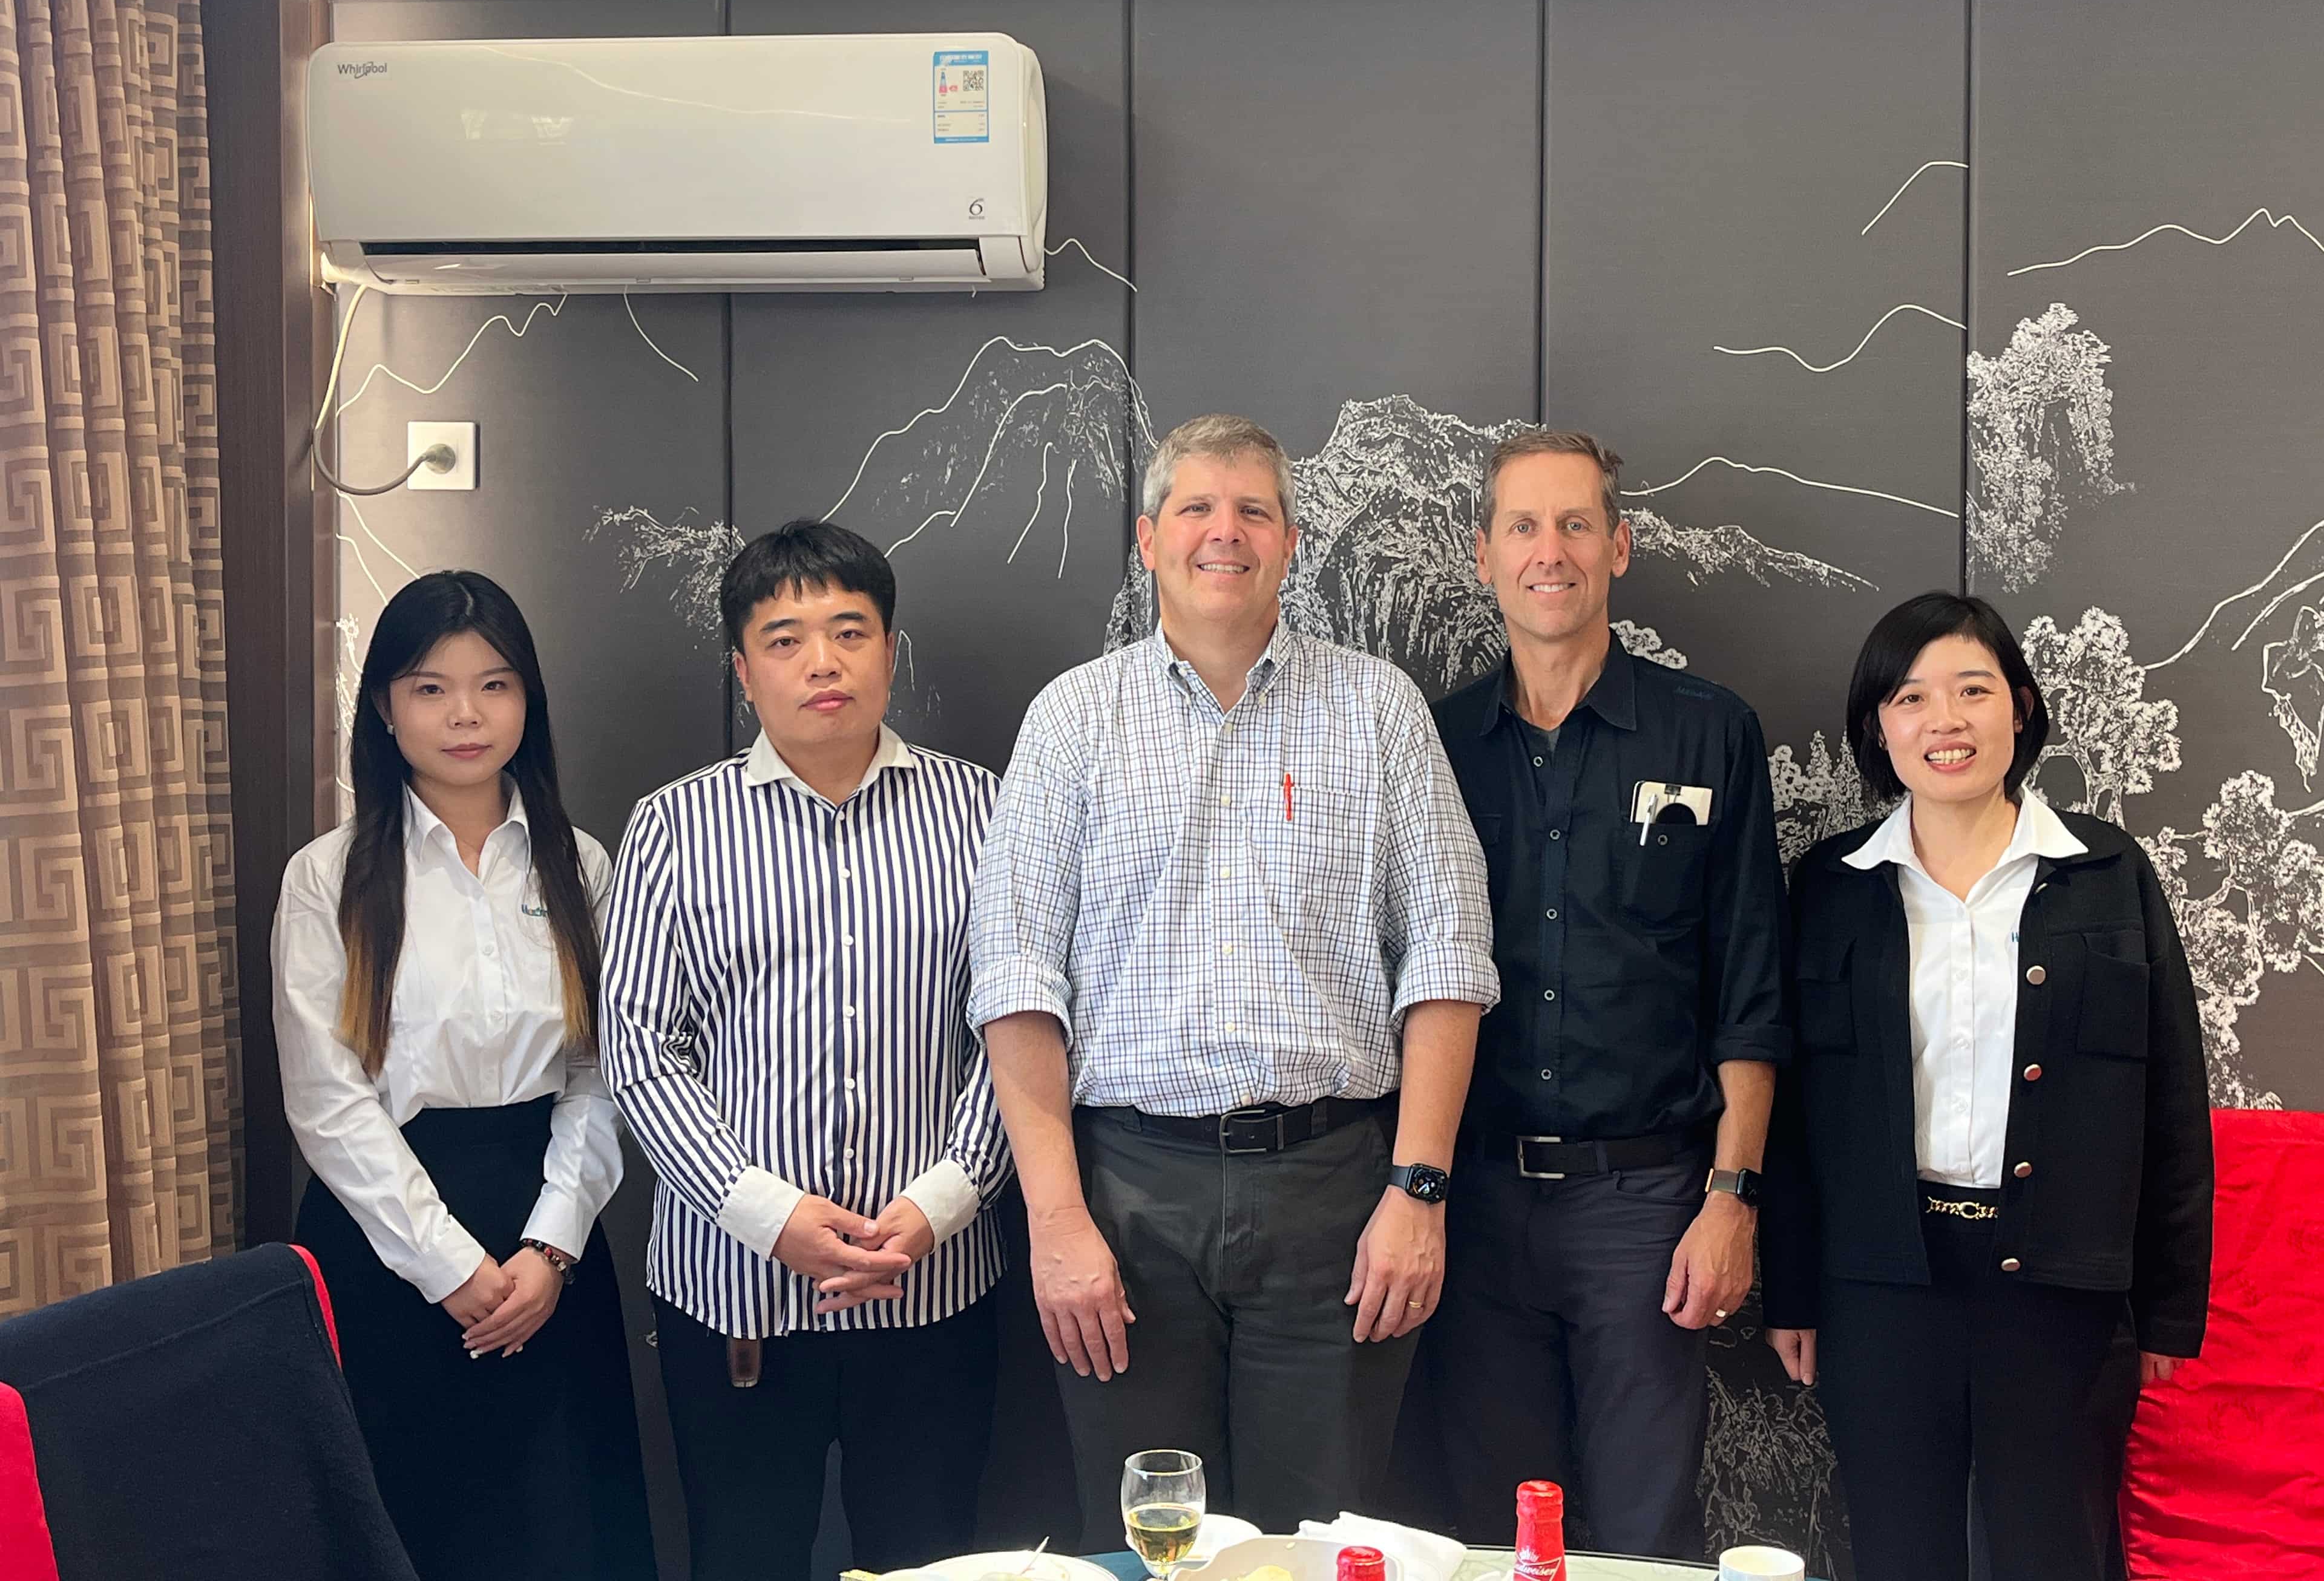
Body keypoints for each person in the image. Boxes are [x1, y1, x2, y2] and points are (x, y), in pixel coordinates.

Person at [972, 413, 1500, 1546]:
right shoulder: (1073, 719)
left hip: (1335, 1201)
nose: (1226, 532)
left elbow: (1450, 959)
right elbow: (1015, 981)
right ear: (1147, 539)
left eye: (1254, 510)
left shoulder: (1378, 709)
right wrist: (1056, 1220)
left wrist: (1419, 1192)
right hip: (1126, 1200)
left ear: (1291, 541)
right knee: (1152, 1545)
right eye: (1198, 509)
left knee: (1316, 1544)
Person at [1762, 591, 2213, 1581]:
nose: (1946, 721)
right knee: (1899, 1550)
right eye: (1912, 697)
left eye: (1973, 691)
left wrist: (2170, 1308)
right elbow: (1794, 1117)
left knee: (2055, 1550)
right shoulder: (1830, 886)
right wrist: (1790, 1287)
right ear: (1879, 727)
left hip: (2061, 1284)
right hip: (1883, 1283)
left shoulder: (2107, 873)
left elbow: (2172, 1099)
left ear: (2021, 707)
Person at [600, 520, 1009, 1581]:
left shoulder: (985, 810)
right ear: (744, 672)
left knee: (933, 1564)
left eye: (849, 631)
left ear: (890, 651)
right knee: (742, 1558)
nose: (822, 661)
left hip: (933, 1283)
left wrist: (942, 1203)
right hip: (733, 1289)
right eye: (784, 640)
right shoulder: (673, 827)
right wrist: (767, 1215)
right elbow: (637, 1048)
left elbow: (1018, 1030)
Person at [1416, 429, 1790, 1557]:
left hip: (1647, 1204)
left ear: (1619, 546)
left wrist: (1732, 1199)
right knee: (1494, 1534)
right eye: (1523, 527)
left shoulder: (1709, 731)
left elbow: (1752, 984)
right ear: (1483, 554)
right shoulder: (1434, 744)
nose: (1552, 551)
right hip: (1475, 1204)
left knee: (1643, 1535)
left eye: (1576, 524)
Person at [273, 570, 653, 1581]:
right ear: (384, 708)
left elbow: (601, 1075)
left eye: (494, 685)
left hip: (547, 1232)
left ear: (528, 700)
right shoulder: (328, 876)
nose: (466, 716)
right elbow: (327, 1102)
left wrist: (550, 1249)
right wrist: (451, 1268)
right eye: (430, 688)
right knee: (410, 1523)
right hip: (383, 1240)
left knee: (565, 1525)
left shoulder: (579, 864)